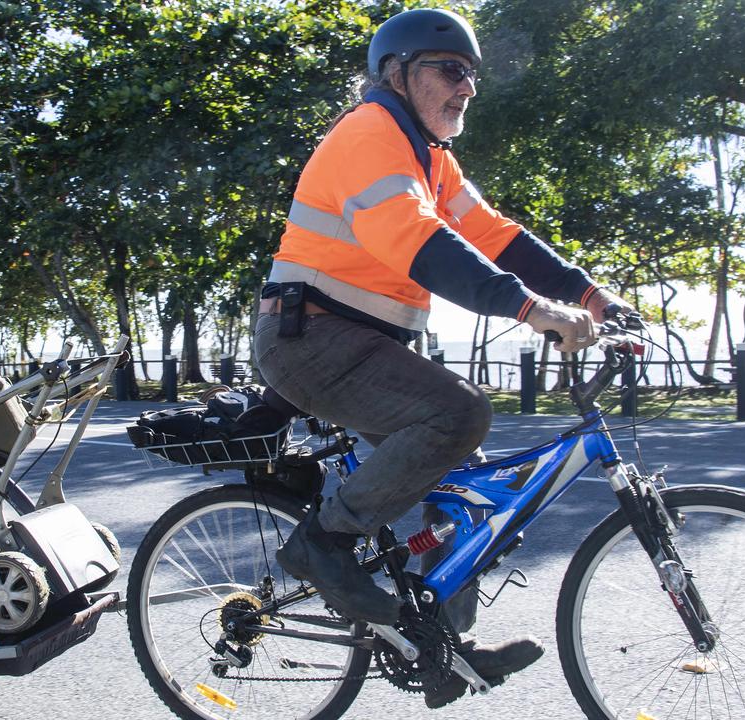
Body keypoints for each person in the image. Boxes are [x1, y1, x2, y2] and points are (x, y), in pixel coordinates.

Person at [254, 7, 633, 707]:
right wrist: (534, 310)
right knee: (460, 413)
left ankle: (440, 653)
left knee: (461, 497)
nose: (467, 88)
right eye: (450, 70)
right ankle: (324, 543)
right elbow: (416, 241)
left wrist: (593, 297)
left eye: (472, 75)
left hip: (362, 346)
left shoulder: (431, 157)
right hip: (310, 341)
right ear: (397, 74)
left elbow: (494, 235)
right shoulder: (369, 134)